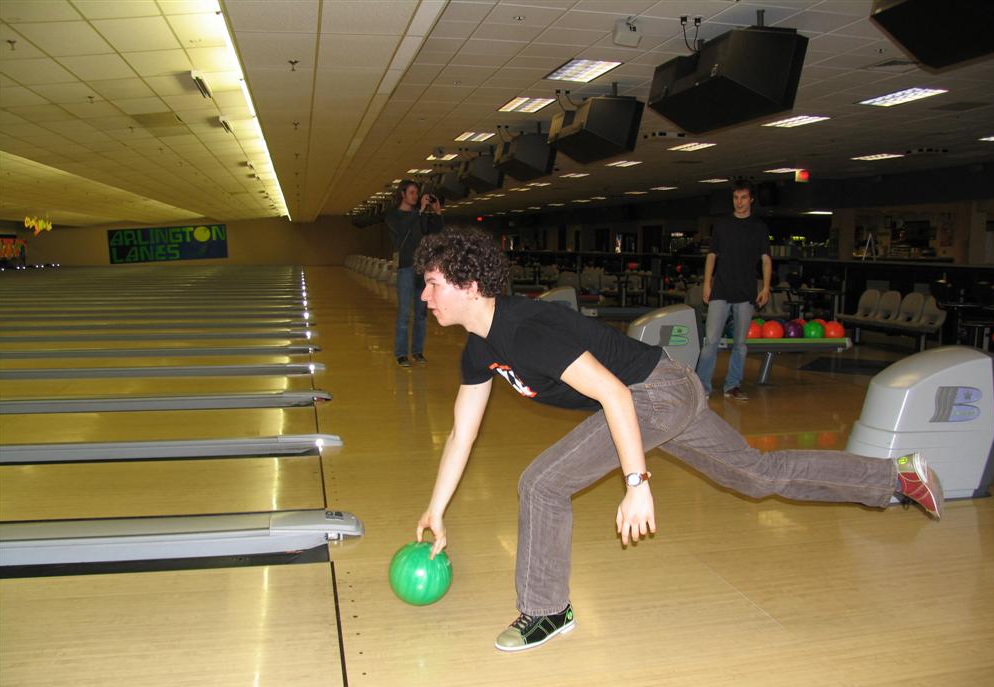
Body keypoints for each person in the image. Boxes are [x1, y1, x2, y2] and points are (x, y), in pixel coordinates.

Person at [412, 227, 944, 653]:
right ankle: (895, 476)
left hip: (655, 394)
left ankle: (546, 610)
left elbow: (616, 395)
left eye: (434, 283)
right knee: (757, 476)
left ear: (470, 285)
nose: (424, 294)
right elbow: (462, 431)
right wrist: (437, 509)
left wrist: (637, 481)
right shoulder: (478, 349)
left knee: (541, 485)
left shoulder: (526, 329)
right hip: (665, 391)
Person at [695, 181, 771, 401]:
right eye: (736, 198)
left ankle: (732, 386)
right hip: (721, 289)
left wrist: (765, 287)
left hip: (746, 292)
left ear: (751, 200)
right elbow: (712, 256)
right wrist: (707, 284)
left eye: (744, 198)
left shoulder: (759, 227)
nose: (739, 202)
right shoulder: (722, 225)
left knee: (740, 345)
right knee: (711, 342)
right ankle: (703, 386)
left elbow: (766, 260)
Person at [385, 180, 444, 367]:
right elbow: (403, 230)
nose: (415, 196)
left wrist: (437, 212)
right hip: (405, 268)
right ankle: (401, 354)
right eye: (411, 192)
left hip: (422, 269)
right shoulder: (393, 216)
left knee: (421, 314)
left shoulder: (419, 216)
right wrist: (419, 210)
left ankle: (418, 352)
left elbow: (435, 232)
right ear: (402, 194)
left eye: (416, 193)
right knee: (404, 313)